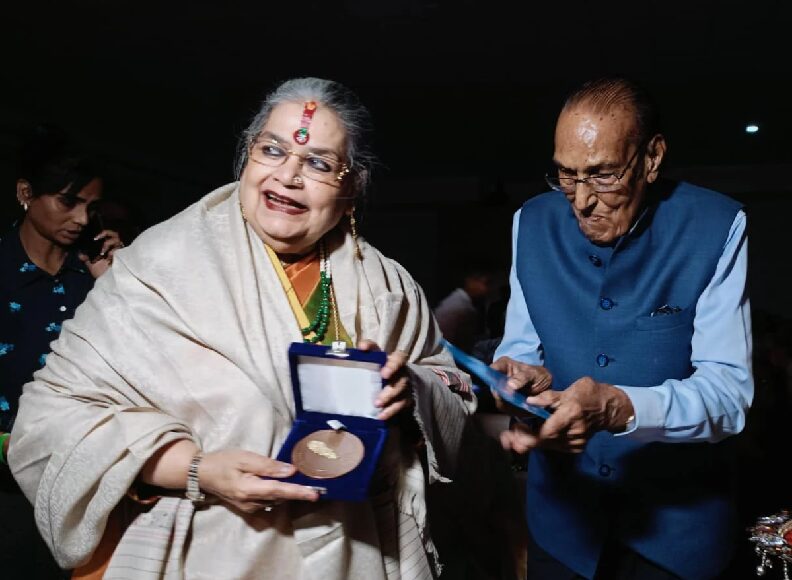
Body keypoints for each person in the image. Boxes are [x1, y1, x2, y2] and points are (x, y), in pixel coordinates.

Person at [9, 78, 482, 580]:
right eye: (272, 150)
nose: (289, 176)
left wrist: (410, 394)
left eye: (319, 163)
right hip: (205, 552)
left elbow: (453, 390)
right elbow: (47, 420)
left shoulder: (389, 286)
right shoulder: (157, 268)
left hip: (359, 551)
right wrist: (195, 468)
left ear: (352, 188)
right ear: (246, 158)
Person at [492, 77, 752, 580]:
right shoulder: (531, 222)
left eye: (604, 175)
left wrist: (620, 406)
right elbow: (522, 349)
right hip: (563, 526)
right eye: (566, 174)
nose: (581, 200)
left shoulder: (718, 225)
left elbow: (729, 396)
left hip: (677, 537)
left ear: (652, 158)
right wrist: (518, 386)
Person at [0, 130, 122, 579]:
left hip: (75, 485)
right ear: (25, 193)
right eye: (68, 202)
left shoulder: (94, 275)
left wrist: (119, 283)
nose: (81, 218)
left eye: (91, 206)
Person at [434, 266, 495, 353]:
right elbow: (458, 345)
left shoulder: (458, 301)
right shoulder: (462, 307)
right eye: (486, 283)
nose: (488, 289)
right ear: (470, 281)